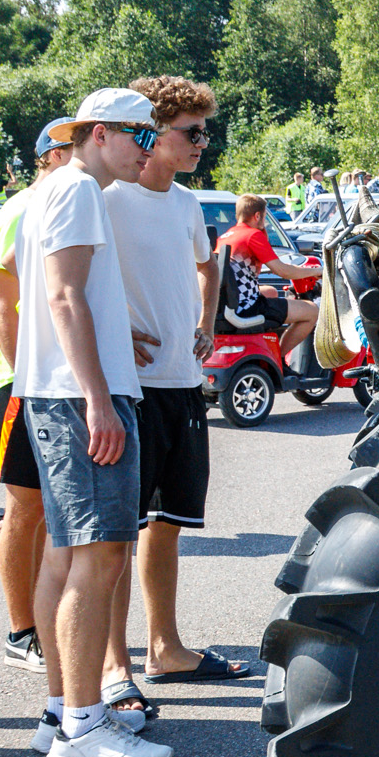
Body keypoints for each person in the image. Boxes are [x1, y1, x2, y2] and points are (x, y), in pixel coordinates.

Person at [14, 88, 172, 757]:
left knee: (67, 554)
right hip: (77, 400)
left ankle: (62, 713)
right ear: (100, 132)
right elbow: (63, 295)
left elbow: (60, 295)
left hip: (57, 393)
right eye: (142, 134)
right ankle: (82, 728)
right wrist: (98, 398)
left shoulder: (57, 187)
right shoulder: (78, 189)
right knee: (100, 555)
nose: (150, 148)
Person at [108, 77, 247, 686]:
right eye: (191, 132)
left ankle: (164, 648)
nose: (201, 143)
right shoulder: (109, 196)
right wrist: (116, 329)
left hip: (182, 382)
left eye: (204, 132)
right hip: (130, 388)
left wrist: (205, 322)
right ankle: (113, 663)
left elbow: (207, 265)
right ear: (154, 132)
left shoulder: (187, 203)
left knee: (168, 524)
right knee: (117, 533)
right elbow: (70, 281)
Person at [0, 118, 71, 667]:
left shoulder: (67, 202)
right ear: (51, 155)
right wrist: (26, 378)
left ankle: (48, 620)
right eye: (74, 148)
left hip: (52, 379)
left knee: (51, 508)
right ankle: (22, 633)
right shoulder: (18, 210)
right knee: (26, 506)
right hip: (16, 380)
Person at [215, 192, 320, 361]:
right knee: (312, 311)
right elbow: (283, 271)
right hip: (247, 306)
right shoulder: (253, 235)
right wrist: (316, 271)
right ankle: (278, 359)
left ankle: (265, 346)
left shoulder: (226, 236)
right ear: (258, 216)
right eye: (264, 217)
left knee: (271, 291)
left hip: (227, 303)